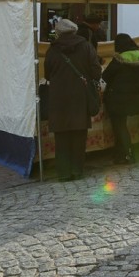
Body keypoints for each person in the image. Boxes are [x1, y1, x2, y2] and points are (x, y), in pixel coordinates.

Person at [44, 19, 101, 181]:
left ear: (59, 32)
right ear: (74, 31)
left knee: (61, 138)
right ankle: (77, 170)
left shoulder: (52, 50)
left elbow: (47, 74)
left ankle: (63, 173)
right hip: (80, 97)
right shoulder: (86, 46)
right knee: (78, 136)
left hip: (58, 98)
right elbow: (96, 72)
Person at [101, 33, 139, 165]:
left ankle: (127, 154)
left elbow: (106, 75)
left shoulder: (119, 59)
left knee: (119, 126)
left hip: (117, 98)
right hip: (133, 96)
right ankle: (121, 154)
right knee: (122, 125)